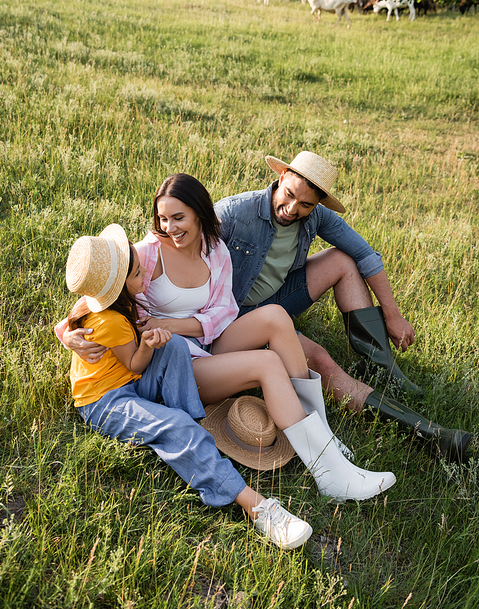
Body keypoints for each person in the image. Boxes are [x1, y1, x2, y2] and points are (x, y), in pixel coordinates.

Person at [58, 177, 397, 503]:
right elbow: (94, 298)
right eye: (163, 219)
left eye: (179, 218)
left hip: (204, 340)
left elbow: (223, 311)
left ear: (200, 214)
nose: (170, 227)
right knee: (266, 363)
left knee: (277, 318)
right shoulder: (147, 252)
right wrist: (67, 334)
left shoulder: (215, 250)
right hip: (174, 362)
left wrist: (176, 324)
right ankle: (328, 472)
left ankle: (323, 436)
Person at [64, 222, 313, 550]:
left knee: (177, 346)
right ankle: (257, 507)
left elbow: (76, 322)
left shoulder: (116, 301)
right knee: (176, 424)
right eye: (138, 274)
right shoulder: (108, 318)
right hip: (104, 402)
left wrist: (153, 342)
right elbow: (133, 362)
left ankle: (197, 440)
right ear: (118, 288)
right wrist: (143, 346)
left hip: (131, 379)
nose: (146, 275)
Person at [214, 151, 470, 462]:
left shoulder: (316, 217)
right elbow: (180, 245)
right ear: (281, 178)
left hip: (274, 300)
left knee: (343, 260)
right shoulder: (234, 212)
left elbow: (366, 256)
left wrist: (393, 315)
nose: (291, 209)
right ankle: (427, 434)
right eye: (289, 195)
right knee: (321, 360)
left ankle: (382, 370)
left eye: (305, 204)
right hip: (235, 318)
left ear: (317, 204)